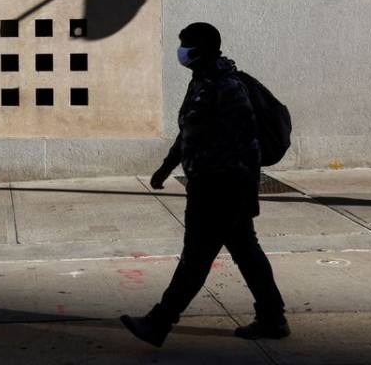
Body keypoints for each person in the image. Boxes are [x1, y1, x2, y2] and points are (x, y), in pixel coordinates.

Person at [121, 22, 289, 347]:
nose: (180, 50)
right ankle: (272, 318)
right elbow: (189, 132)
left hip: (221, 190)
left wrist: (247, 193)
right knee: (246, 252)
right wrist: (165, 168)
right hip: (207, 186)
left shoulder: (226, 87)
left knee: (196, 257)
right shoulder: (202, 81)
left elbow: (247, 143)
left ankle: (159, 322)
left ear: (202, 48)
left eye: (185, 43)